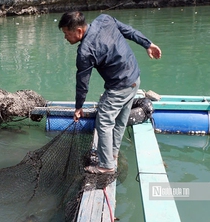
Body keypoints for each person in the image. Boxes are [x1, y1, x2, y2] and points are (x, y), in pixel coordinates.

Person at [58, 11, 162, 174]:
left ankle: (106, 165)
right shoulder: (104, 19)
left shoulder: (85, 51)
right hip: (135, 77)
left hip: (120, 86)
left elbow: (82, 84)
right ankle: (112, 154)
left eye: (66, 33)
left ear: (78, 31)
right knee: (120, 119)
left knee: (105, 119)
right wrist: (147, 44)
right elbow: (129, 31)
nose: (65, 38)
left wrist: (78, 107)